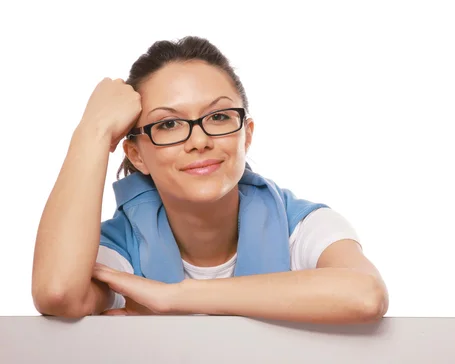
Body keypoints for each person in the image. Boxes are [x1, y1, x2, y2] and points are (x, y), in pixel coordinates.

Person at [32, 36, 388, 323]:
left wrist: (178, 297)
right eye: (168, 124)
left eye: (218, 117)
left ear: (245, 135)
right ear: (137, 154)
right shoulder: (120, 247)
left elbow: (366, 293)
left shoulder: (301, 225)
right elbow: (59, 293)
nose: (199, 140)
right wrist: (92, 132)